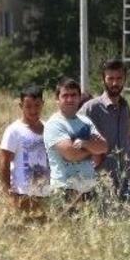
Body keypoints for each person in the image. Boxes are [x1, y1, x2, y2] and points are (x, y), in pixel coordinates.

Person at [44, 78, 108, 214]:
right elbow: (71, 154)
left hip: (88, 189)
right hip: (65, 190)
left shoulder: (86, 121)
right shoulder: (54, 124)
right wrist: (92, 148)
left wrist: (84, 144)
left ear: (79, 98)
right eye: (65, 96)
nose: (69, 99)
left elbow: (104, 147)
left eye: (73, 95)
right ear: (57, 99)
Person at [79, 60, 130, 201]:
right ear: (103, 80)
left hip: (127, 183)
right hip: (102, 184)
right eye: (110, 79)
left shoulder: (125, 107)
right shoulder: (91, 109)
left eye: (119, 78)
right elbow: (74, 140)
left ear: (125, 79)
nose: (114, 83)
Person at [0, 85, 51, 218]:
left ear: (43, 104)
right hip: (22, 195)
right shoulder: (14, 130)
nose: (33, 110)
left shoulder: (49, 129)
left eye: (37, 105)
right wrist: (8, 193)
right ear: (21, 106)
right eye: (28, 106)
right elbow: (4, 162)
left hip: (45, 195)